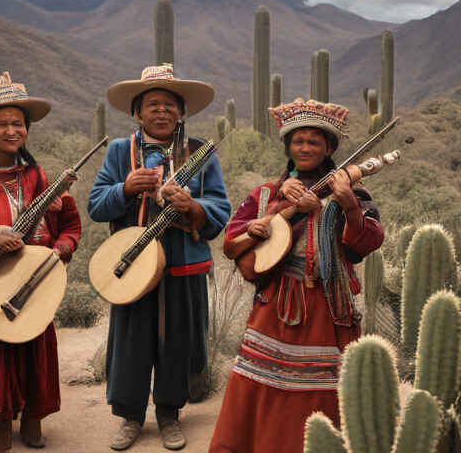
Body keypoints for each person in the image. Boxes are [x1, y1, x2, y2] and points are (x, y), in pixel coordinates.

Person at [209, 98, 384, 453]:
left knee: (325, 393)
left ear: (329, 148)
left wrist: (348, 204)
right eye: (298, 140)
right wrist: (280, 209)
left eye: (314, 141)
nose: (305, 148)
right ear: (288, 146)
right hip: (276, 308)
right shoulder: (266, 194)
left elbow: (366, 243)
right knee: (264, 384)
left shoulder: (354, 191)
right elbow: (233, 241)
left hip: (328, 308)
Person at [88, 65, 231, 451]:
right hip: (132, 263)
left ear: (182, 112)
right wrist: (125, 188)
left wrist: (193, 207)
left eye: (170, 104)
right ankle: (130, 417)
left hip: (182, 263)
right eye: (153, 104)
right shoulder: (121, 152)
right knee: (132, 338)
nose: (162, 110)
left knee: (178, 338)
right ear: (138, 111)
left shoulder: (201, 153)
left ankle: (169, 414)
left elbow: (221, 206)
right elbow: (96, 206)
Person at [0, 72, 82, 452]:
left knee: (35, 355)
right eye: (3, 123)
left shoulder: (38, 175)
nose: (12, 130)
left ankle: (33, 425)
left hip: (37, 283)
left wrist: (61, 250)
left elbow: (71, 226)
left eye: (18, 123)